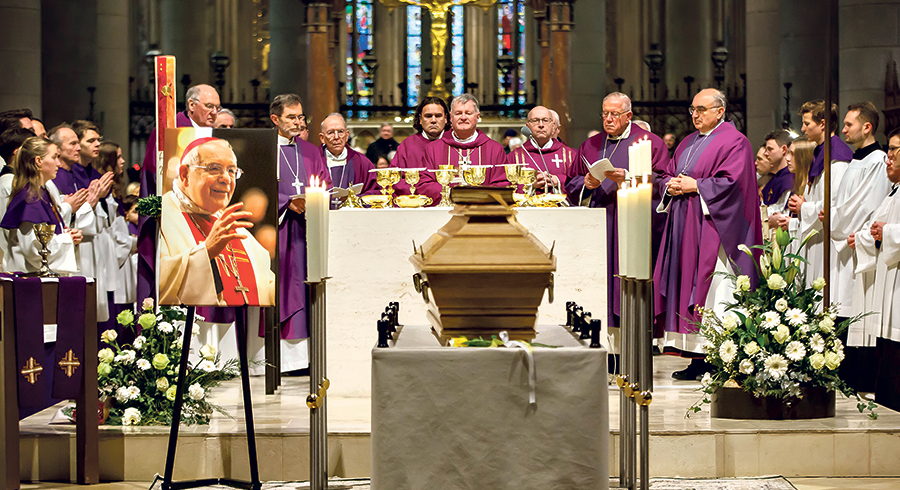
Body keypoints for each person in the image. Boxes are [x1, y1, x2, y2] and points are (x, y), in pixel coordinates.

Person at [656, 88, 762, 380]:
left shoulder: (735, 142)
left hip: (715, 231)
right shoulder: (687, 143)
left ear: (719, 111)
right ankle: (695, 357)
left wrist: (696, 187)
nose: (695, 115)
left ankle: (718, 358)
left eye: (701, 109)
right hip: (685, 226)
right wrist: (671, 185)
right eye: (692, 110)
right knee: (687, 286)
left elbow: (733, 184)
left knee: (714, 289)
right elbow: (666, 173)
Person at [565, 93, 667, 371]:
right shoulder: (590, 145)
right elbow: (571, 181)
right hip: (600, 228)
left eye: (614, 114)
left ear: (629, 116)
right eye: (605, 114)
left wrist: (631, 178)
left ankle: (634, 348)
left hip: (632, 225)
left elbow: (663, 182)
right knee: (602, 286)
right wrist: (586, 183)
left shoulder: (650, 144)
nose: (608, 119)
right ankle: (606, 350)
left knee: (629, 283)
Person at [159, 137, 275, 307]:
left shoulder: (236, 230)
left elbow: (267, 287)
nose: (226, 179)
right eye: (214, 169)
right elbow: (155, 285)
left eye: (231, 171)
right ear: (185, 175)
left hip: (240, 329)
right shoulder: (162, 217)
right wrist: (206, 251)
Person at [828, 102, 891, 391]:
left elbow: (868, 205)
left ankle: (859, 374)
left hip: (860, 242)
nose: (843, 130)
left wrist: (838, 221)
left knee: (859, 308)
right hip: (848, 240)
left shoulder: (877, 161)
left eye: (849, 124)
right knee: (844, 306)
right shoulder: (856, 161)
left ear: (867, 127)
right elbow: (845, 203)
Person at [139, 84, 221, 304]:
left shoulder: (217, 133)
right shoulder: (171, 129)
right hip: (179, 219)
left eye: (217, 107)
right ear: (192, 105)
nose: (214, 112)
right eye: (209, 106)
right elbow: (152, 175)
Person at [270, 93, 332, 373]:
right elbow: (256, 188)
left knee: (306, 289)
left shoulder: (310, 150)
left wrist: (315, 200)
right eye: (291, 117)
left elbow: (325, 183)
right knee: (283, 289)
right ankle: (277, 360)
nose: (298, 122)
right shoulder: (266, 148)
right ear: (275, 120)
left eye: (301, 117)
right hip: (278, 233)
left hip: (308, 232)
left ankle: (304, 360)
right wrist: (287, 202)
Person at [852, 128, 900, 410]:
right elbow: (877, 228)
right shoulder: (893, 193)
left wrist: (888, 232)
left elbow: (888, 230)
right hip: (889, 280)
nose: (888, 157)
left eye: (895, 150)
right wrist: (865, 236)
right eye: (889, 149)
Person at [1, 137, 81, 274]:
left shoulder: (42, 192)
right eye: (54, 157)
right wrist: (68, 239)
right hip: (29, 279)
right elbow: (34, 250)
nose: (59, 163)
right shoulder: (30, 199)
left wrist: (68, 234)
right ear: (38, 161)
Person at [418, 94, 508, 203]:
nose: (463, 117)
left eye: (468, 113)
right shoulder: (433, 149)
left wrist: (479, 196)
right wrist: (451, 194)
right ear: (451, 117)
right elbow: (424, 183)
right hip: (443, 213)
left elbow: (502, 183)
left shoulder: (494, 149)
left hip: (482, 212)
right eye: (458, 113)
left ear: (477, 117)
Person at [95, 142, 138, 331]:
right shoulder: (104, 193)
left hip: (122, 258)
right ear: (107, 162)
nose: (122, 161)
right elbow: (112, 233)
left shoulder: (116, 191)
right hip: (114, 261)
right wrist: (136, 243)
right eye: (118, 157)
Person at [508, 105, 574, 195]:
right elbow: (507, 187)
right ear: (528, 126)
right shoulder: (514, 157)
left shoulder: (570, 155)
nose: (541, 125)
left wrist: (559, 181)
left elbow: (580, 184)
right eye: (535, 121)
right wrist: (530, 185)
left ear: (553, 125)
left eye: (545, 120)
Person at [319, 113, 380, 208]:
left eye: (340, 131)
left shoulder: (362, 162)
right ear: (322, 138)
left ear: (347, 135)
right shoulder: (312, 161)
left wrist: (356, 199)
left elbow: (375, 192)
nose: (336, 137)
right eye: (330, 132)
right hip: (320, 219)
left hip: (352, 219)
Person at [392, 97, 450, 194]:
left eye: (438, 116)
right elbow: (394, 178)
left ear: (446, 119)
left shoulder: (454, 143)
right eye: (428, 116)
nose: (433, 120)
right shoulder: (407, 145)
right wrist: (418, 192)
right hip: (414, 202)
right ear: (420, 119)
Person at [760, 130, 795, 230]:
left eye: (770, 149)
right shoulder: (775, 178)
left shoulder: (789, 179)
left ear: (784, 149)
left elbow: (783, 212)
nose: (766, 153)